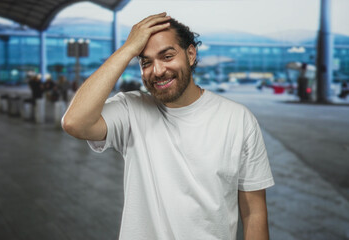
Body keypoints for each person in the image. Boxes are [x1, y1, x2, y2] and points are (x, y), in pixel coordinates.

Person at [62, 13, 274, 240]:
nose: (158, 70)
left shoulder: (238, 119)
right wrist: (127, 50)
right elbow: (75, 122)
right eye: (146, 62)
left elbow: (254, 212)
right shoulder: (131, 109)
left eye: (167, 56)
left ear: (190, 54)